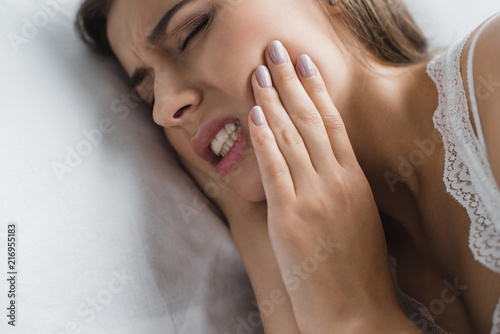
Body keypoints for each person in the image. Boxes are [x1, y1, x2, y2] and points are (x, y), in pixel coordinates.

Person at [75, 0, 500, 333]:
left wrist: (356, 317)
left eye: (192, 30)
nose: (165, 107)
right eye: (149, 92)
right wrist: (253, 223)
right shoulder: (310, 266)